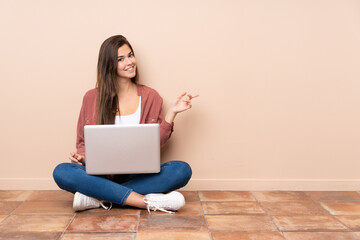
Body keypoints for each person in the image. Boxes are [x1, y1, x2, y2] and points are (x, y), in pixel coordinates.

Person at [53, 35, 198, 214]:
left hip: (138, 175)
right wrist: (82, 157)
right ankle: (146, 201)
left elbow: (155, 144)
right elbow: (83, 144)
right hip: (101, 175)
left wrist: (172, 113)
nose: (129, 62)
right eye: (120, 59)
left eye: (130, 55)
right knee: (62, 171)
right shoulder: (91, 98)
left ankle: (99, 198)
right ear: (108, 65)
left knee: (181, 170)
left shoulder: (151, 96)